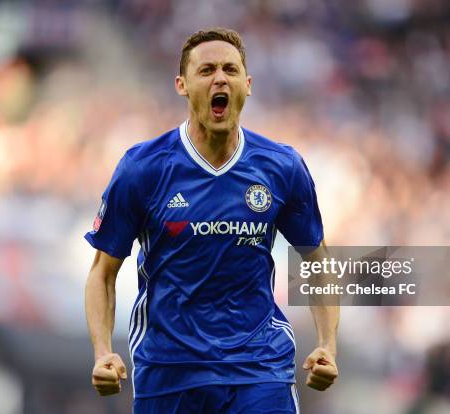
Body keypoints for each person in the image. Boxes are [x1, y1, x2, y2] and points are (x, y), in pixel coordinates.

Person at [84, 27, 339, 413]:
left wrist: (327, 345)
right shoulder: (143, 169)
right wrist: (103, 352)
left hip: (258, 367)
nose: (220, 78)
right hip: (169, 371)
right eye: (206, 71)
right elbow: (102, 272)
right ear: (182, 85)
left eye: (230, 70)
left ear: (247, 85)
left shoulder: (281, 167)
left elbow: (318, 261)